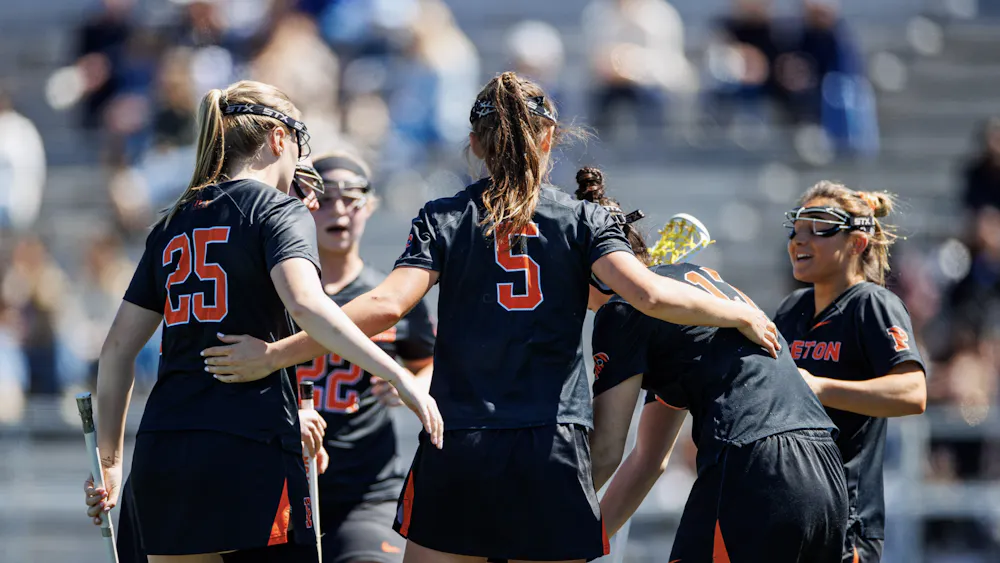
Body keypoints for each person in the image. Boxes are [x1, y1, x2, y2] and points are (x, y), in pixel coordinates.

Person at [202, 71, 779, 563]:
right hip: (550, 446)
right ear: (550, 137)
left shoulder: (443, 215)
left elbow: (383, 306)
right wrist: (735, 312)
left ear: (475, 143)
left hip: (460, 446)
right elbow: (651, 296)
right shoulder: (582, 218)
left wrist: (277, 352)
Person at [82, 80, 443, 563]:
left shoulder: (172, 221)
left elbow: (117, 350)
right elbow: (308, 306)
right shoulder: (277, 209)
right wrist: (399, 376)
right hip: (247, 450)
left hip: (163, 451)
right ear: (278, 138)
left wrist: (108, 463)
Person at [576, 167, 848, 563]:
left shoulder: (622, 311)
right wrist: (584, 543)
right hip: (824, 468)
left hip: (754, 467)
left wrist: (550, 534)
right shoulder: (692, 288)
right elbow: (650, 459)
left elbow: (605, 451)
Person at [208, 151, 435, 563]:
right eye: (325, 197)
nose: (339, 210)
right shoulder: (271, 293)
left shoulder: (386, 295)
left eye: (352, 197)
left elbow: (426, 362)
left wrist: (408, 384)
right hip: (280, 487)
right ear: (305, 205)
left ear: (370, 204)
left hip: (364, 490)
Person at [775, 181, 927, 563]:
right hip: (789, 513)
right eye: (796, 227)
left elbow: (913, 392)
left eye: (819, 227)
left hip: (844, 524)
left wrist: (819, 387)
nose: (800, 239)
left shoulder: (873, 304)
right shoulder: (791, 309)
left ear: (857, 243)